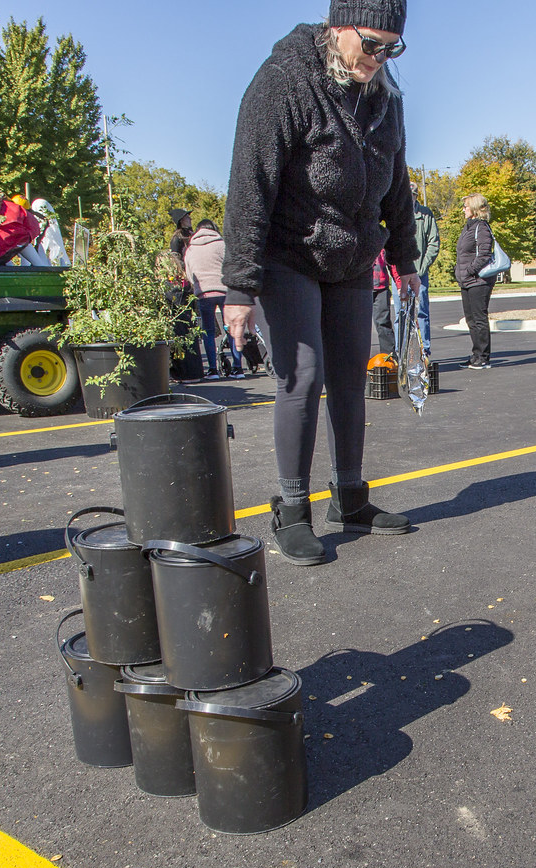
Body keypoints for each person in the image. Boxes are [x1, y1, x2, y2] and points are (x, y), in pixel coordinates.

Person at [221, 0, 420, 567]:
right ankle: (291, 510)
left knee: (350, 376)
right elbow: (249, 183)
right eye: (371, 45)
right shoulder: (284, 81)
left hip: (353, 257)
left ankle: (351, 499)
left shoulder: (386, 100)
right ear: (338, 28)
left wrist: (404, 256)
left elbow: (397, 183)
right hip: (290, 254)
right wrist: (240, 285)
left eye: (391, 48)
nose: (379, 59)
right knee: (302, 375)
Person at [185, 219, 243, 379]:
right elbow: (232, 265)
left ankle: (212, 370)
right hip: (225, 291)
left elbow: (189, 274)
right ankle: (238, 368)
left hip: (204, 293)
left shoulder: (190, 249)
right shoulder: (222, 244)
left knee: (208, 332)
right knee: (232, 328)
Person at [390, 181, 440, 358]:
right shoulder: (395, 214)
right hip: (399, 275)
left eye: (411, 195)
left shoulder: (425, 215)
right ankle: (400, 352)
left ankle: (424, 351)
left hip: (419, 273)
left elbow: (434, 243)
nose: (407, 199)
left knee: (421, 313)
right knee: (400, 314)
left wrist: (421, 267)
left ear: (415, 196)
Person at [455, 193, 497, 369]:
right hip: (467, 280)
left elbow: (484, 254)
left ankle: (483, 356)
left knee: (479, 318)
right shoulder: (468, 227)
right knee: (470, 318)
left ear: (473, 208)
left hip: (478, 281)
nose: (463, 209)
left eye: (466, 206)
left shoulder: (481, 227)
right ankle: (476, 354)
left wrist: (470, 271)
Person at [155, 250, 204, 383]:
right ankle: (194, 372)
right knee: (190, 344)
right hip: (187, 319)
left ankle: (179, 373)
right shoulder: (184, 281)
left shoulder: (164, 284)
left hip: (174, 320)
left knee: (177, 345)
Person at [371, 249, 395, 356]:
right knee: (357, 326)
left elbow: (393, 261)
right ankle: (356, 364)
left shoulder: (384, 233)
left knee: (383, 324)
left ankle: (389, 360)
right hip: (359, 287)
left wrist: (400, 284)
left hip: (381, 286)